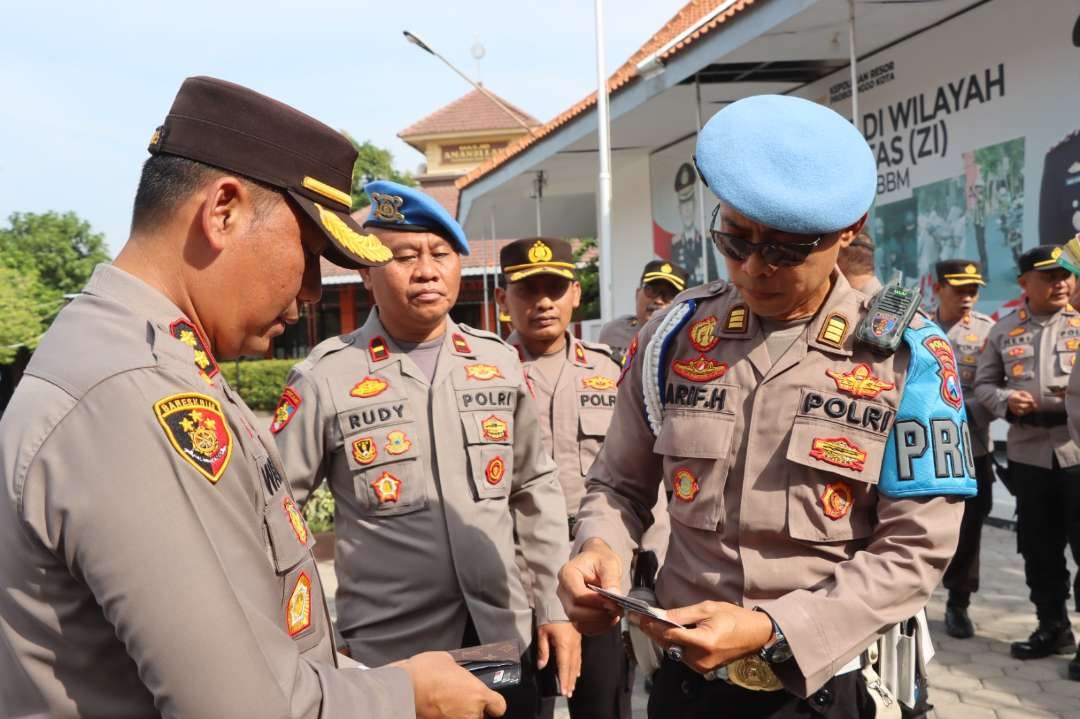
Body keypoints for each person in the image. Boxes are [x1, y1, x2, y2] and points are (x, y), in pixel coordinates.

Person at [0, 77, 505, 718]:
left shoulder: (149, 360)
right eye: (311, 253)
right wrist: (406, 695)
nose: (313, 292)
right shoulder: (133, 395)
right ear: (224, 212)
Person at [557, 94, 975, 718]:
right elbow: (618, 484)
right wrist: (598, 547)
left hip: (824, 686)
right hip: (687, 686)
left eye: (784, 249)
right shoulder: (672, 337)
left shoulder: (907, 353)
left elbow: (915, 548)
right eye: (735, 239)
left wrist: (775, 629)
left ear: (849, 229)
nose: (754, 267)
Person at [273, 181, 577, 718]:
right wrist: (314, 640)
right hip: (391, 656)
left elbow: (534, 488)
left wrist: (553, 605)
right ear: (366, 271)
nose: (427, 270)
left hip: (500, 636)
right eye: (403, 256)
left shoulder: (498, 363)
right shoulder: (326, 375)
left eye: (441, 254)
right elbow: (276, 513)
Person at [496, 237, 667, 719]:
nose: (543, 302)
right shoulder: (487, 375)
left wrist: (651, 562)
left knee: (602, 699)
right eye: (528, 290)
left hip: (596, 565)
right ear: (503, 300)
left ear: (575, 293)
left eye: (554, 288)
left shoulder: (609, 370)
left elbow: (641, 477)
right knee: (516, 697)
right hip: (514, 566)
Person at [974, 245, 1080, 671]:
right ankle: (1052, 626)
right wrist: (1004, 400)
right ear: (1024, 283)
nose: (1060, 283)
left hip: (1076, 454)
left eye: (1065, 275)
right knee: (1038, 547)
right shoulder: (1002, 331)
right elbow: (983, 384)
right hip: (1028, 455)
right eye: (1049, 276)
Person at [930, 260, 996, 639]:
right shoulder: (915, 326)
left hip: (971, 449)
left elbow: (993, 384)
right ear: (939, 289)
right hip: (920, 449)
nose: (968, 296)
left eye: (974, 290)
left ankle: (958, 602)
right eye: (960, 289)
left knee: (969, 530)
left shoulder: (988, 332)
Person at [596, 260, 689, 365]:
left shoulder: (688, 339)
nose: (658, 300)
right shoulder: (613, 332)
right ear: (637, 294)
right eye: (651, 290)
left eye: (669, 294)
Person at [670, 162, 718, 286]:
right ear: (679, 209)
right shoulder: (676, 244)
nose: (687, 210)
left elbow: (713, 279)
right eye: (683, 204)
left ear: (695, 204)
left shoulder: (705, 240)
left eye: (689, 203)